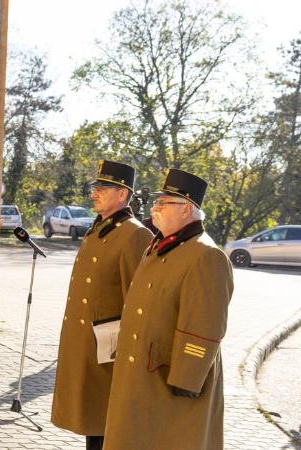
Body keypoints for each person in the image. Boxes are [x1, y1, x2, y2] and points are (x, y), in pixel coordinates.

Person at [103, 169, 234, 450]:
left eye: (163, 202)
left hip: (170, 381)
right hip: (142, 373)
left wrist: (185, 380)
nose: (154, 208)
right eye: (155, 202)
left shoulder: (206, 256)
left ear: (186, 208)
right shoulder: (161, 246)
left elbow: (205, 326)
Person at [50, 160, 153, 450]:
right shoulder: (100, 229)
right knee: (94, 425)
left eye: (103, 188)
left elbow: (138, 303)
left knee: (106, 426)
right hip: (89, 347)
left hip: (109, 350)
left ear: (123, 194)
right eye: (95, 186)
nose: (94, 192)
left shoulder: (135, 234)